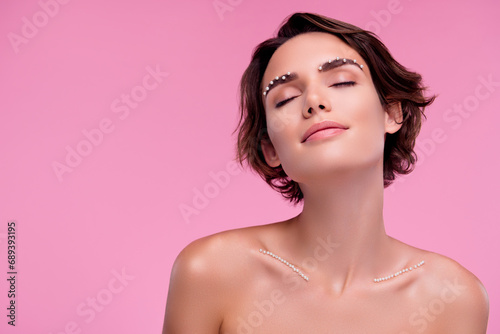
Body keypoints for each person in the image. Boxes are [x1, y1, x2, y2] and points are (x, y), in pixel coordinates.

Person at [162, 12, 489, 333]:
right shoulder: (211, 271)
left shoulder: (454, 298)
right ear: (271, 150)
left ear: (391, 112)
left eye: (342, 81)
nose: (314, 101)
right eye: (285, 98)